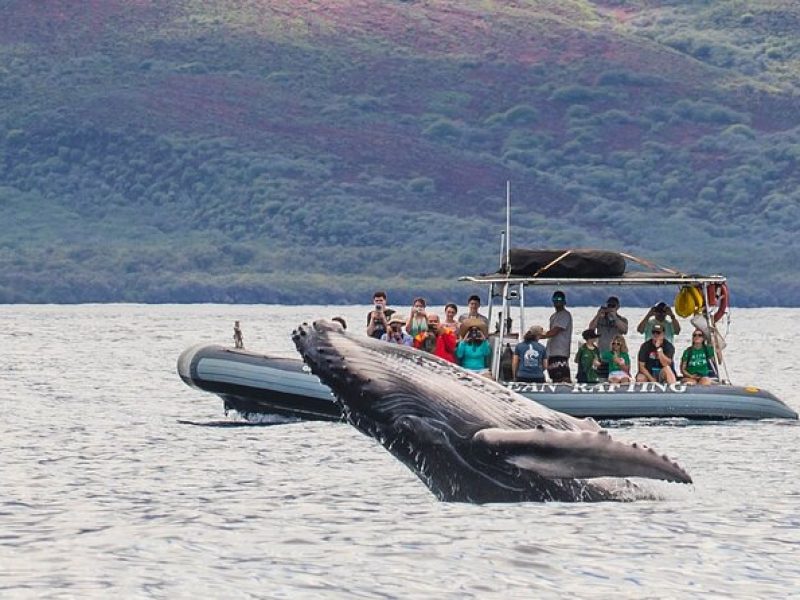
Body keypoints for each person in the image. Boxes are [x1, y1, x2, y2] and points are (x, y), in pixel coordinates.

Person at [541, 290, 573, 383]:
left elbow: (555, 331)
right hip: (551, 352)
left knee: (563, 378)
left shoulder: (565, 314)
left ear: (564, 301)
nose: (557, 301)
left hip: (561, 352)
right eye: (555, 299)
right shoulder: (553, 316)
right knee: (554, 377)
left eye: (560, 299)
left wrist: (538, 336)